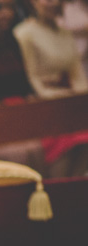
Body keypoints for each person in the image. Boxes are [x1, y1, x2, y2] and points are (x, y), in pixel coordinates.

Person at [15, 0, 88, 176]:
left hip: (70, 103)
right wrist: (62, 98)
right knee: (70, 140)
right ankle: (57, 192)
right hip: (44, 106)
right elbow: (32, 79)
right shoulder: (23, 33)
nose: (52, 3)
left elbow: (77, 74)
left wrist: (79, 97)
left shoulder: (64, 33)